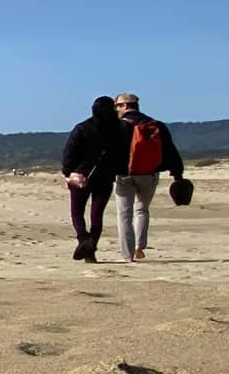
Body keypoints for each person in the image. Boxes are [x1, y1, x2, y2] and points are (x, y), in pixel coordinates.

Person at [111, 92, 184, 262]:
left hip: (124, 175)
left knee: (124, 214)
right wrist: (177, 174)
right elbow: (171, 151)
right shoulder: (155, 125)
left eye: (117, 106)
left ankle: (127, 255)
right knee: (141, 210)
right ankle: (138, 246)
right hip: (149, 174)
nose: (116, 110)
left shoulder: (118, 126)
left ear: (124, 106)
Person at [60, 96, 121, 261]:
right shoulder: (118, 130)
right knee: (97, 214)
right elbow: (121, 155)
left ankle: (83, 238)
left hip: (81, 175)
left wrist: (68, 172)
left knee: (77, 212)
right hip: (106, 177)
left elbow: (68, 154)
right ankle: (91, 250)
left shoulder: (82, 128)